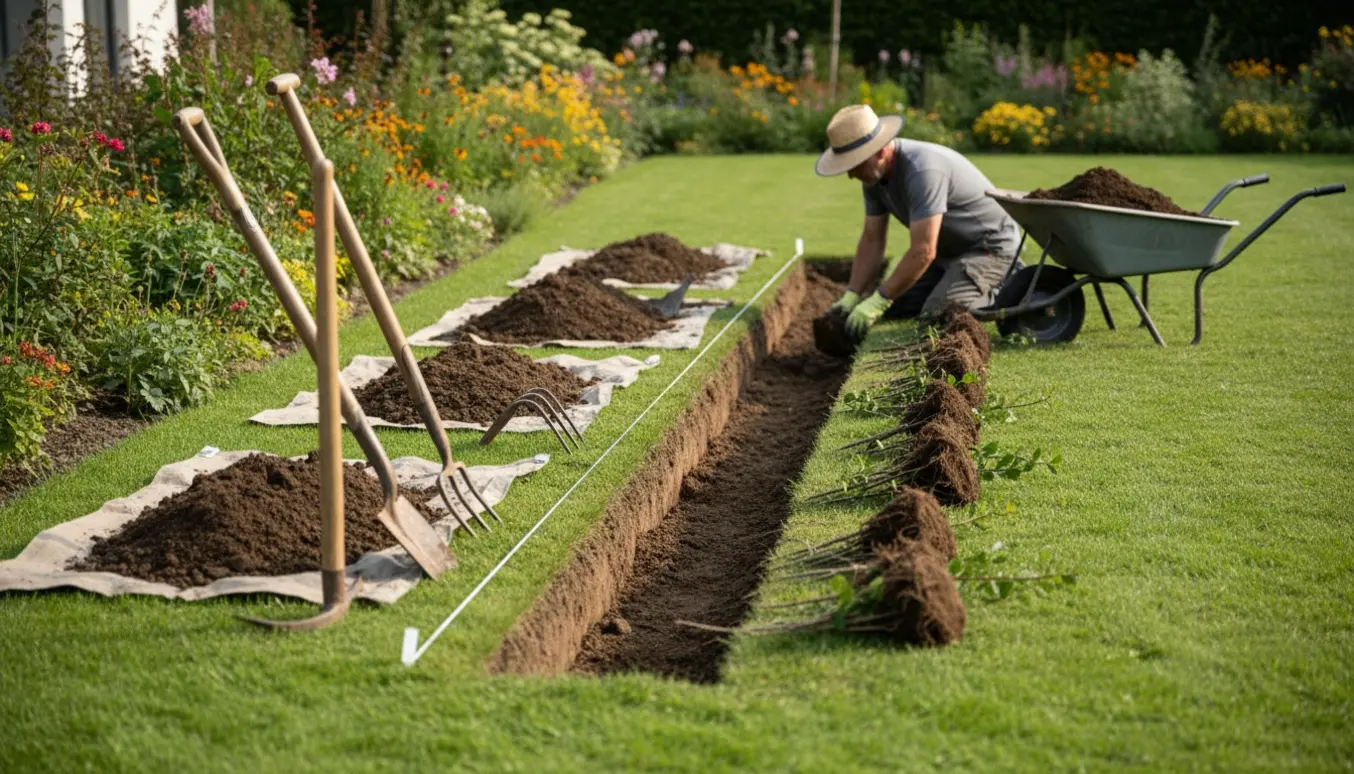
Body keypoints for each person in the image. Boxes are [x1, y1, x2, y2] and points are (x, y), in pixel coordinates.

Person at [815, 104, 1022, 336]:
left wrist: (880, 299)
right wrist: (852, 294)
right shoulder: (873, 178)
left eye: (855, 165)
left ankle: (1004, 287)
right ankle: (962, 281)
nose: (851, 175)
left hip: (988, 248)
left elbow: (923, 251)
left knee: (938, 317)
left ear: (880, 152)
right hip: (949, 253)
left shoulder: (922, 171)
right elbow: (872, 239)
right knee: (897, 307)